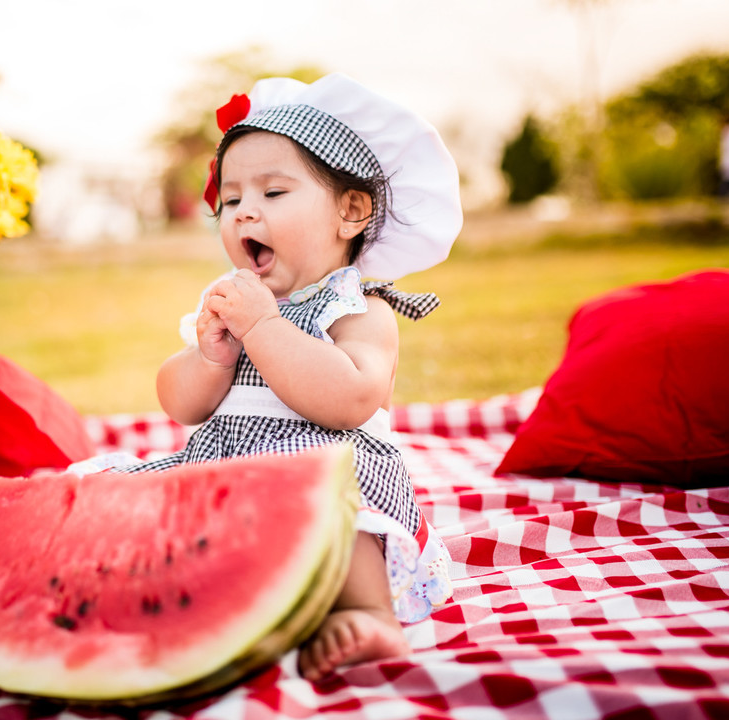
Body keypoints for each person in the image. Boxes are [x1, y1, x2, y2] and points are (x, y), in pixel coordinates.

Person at [75, 73, 462, 680]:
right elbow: (182, 406)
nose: (244, 211)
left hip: (323, 465)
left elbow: (352, 398)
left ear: (351, 212)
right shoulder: (230, 301)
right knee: (123, 500)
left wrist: (265, 329)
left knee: (347, 512)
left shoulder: (361, 310)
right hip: (226, 475)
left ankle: (367, 613)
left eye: (274, 192)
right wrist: (208, 359)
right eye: (230, 201)